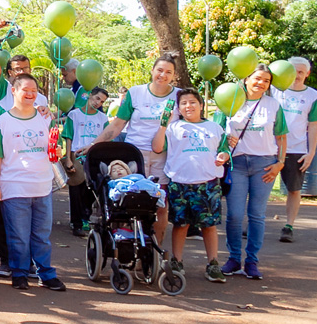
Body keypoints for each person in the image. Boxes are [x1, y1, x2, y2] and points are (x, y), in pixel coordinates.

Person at [88, 53, 180, 247]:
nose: (163, 75)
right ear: (152, 71)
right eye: (159, 70)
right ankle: (125, 245)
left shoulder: (179, 96)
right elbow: (117, 124)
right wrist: (94, 144)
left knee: (160, 205)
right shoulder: (136, 93)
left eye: (168, 72)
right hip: (134, 157)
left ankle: (154, 251)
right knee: (128, 203)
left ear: (174, 75)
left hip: (164, 157)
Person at [0, 73, 67, 291]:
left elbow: (54, 147)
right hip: (14, 187)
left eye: (34, 91)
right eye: (26, 90)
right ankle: (19, 273)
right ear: (14, 91)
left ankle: (46, 274)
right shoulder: (1, 122)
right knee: (19, 236)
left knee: (42, 236)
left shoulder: (45, 118)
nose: (30, 95)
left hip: (42, 186)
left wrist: (58, 151)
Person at [216, 64, 287, 279]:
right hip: (237, 164)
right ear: (246, 79)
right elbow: (215, 131)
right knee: (235, 215)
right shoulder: (231, 99)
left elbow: (281, 137)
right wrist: (225, 140)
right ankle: (233, 259)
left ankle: (252, 262)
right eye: (257, 78)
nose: (261, 83)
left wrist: (280, 163)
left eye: (266, 81)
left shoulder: (273, 105)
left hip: (264, 165)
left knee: (257, 215)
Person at [152, 89, 230, 283]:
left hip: (208, 183)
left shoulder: (214, 127)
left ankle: (213, 263)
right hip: (180, 183)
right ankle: (177, 261)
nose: (189, 106)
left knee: (209, 225)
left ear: (201, 105)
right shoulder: (173, 128)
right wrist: (163, 124)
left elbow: (224, 150)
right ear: (178, 108)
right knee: (180, 224)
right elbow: (157, 147)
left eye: (193, 102)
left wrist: (223, 156)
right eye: (184, 103)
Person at [274, 57, 317, 242]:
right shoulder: (274, 90)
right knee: (260, 188)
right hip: (270, 147)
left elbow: (313, 125)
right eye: (293, 71)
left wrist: (311, 153)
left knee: (294, 189)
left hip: (296, 149)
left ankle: (288, 226)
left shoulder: (313, 96)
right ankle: (255, 223)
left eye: (301, 72)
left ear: (307, 74)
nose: (296, 75)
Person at [61, 86, 110, 237]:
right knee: (76, 190)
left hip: (94, 157)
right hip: (77, 156)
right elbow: (69, 137)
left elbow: (107, 138)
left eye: (102, 101)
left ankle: (85, 218)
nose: (98, 103)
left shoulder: (103, 118)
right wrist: (68, 158)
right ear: (89, 95)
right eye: (97, 98)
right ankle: (76, 223)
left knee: (91, 190)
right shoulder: (74, 115)